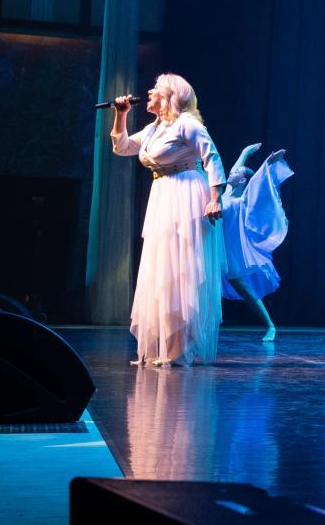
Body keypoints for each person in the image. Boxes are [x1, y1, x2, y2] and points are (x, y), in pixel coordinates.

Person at [109, 74, 227, 368]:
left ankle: (179, 349)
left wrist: (215, 198)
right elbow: (122, 147)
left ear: (170, 96)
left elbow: (212, 157)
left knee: (181, 270)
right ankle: (163, 347)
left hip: (186, 195)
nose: (149, 92)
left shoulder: (187, 124)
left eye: (156, 89)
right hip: (163, 196)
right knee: (162, 269)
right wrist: (121, 115)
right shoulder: (154, 129)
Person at [219, 144, 293, 344]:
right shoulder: (225, 193)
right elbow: (237, 168)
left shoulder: (242, 201)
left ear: (242, 180)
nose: (231, 173)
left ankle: (270, 325)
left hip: (229, 250)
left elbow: (259, 184)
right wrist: (245, 152)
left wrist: (268, 163)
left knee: (243, 288)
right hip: (212, 246)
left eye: (235, 173)